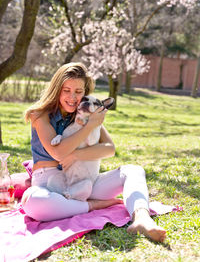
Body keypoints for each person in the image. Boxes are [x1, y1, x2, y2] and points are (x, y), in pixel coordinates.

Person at [22, 62, 166, 243]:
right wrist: (89, 125)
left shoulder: (86, 110)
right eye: (66, 90)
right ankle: (91, 206)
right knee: (33, 203)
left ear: (85, 92)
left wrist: (76, 155)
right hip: (50, 186)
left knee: (133, 170)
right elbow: (58, 153)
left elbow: (109, 149)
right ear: (56, 89)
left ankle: (142, 219)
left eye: (78, 91)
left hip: (85, 183)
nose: (72, 97)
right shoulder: (40, 115)